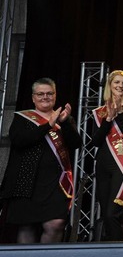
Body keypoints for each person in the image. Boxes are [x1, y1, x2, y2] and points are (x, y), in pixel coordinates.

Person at [0, 78, 81, 243]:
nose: (45, 97)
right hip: (26, 182)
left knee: (56, 224)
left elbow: (76, 144)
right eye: (40, 94)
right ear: (33, 98)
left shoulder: (63, 118)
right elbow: (19, 140)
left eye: (49, 93)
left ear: (55, 95)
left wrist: (64, 123)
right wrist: (47, 125)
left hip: (55, 183)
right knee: (26, 225)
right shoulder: (22, 118)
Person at [89, 70, 123, 241]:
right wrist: (108, 119)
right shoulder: (100, 112)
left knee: (113, 214)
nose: (120, 86)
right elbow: (95, 141)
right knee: (105, 214)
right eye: (116, 82)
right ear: (110, 85)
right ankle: (111, 251)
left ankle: (120, 253)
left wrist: (121, 114)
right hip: (103, 164)